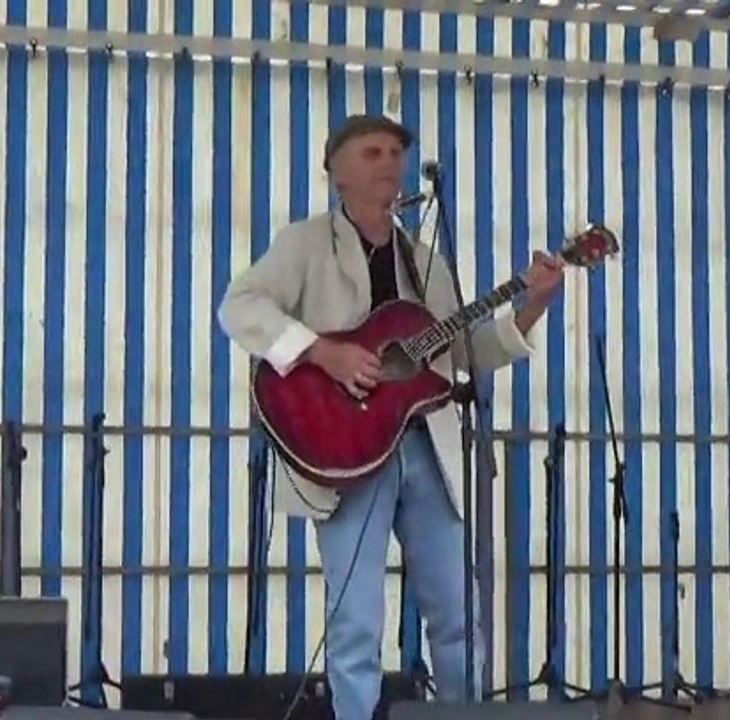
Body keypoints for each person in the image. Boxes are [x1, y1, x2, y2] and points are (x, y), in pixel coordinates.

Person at [216, 114, 565, 720]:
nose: (389, 163)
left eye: (397, 153)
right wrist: (325, 352)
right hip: (345, 451)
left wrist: (531, 307)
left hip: (428, 449)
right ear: (337, 171)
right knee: (355, 620)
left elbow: (462, 353)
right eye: (372, 152)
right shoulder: (303, 243)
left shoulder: (425, 258)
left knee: (458, 612)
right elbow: (240, 307)